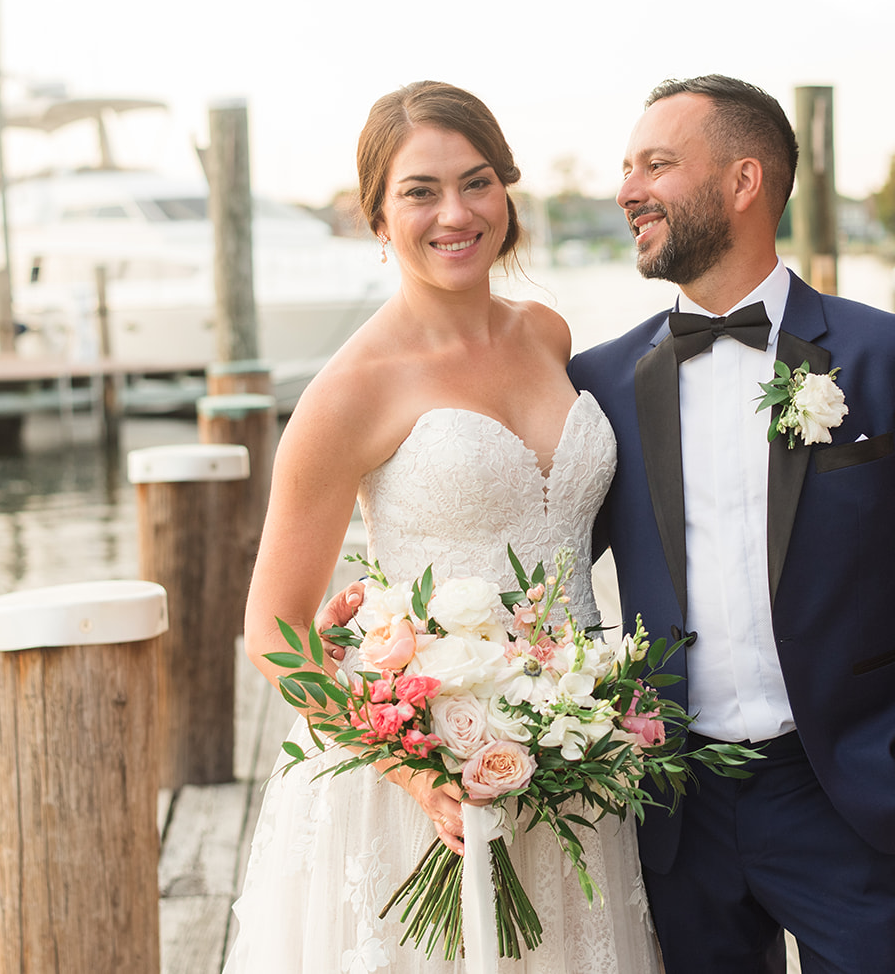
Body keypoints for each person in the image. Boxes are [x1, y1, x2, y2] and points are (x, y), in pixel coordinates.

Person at [564, 75, 895, 973]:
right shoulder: (600, 382)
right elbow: (545, 562)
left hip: (851, 795)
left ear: (744, 180)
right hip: (674, 807)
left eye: (656, 164)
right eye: (626, 168)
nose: (626, 192)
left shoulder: (894, 354)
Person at [222, 81, 660, 974]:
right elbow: (271, 627)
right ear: (378, 216)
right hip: (423, 778)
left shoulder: (547, 333)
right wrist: (409, 772)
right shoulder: (350, 392)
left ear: (507, 190)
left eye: (478, 181)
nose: (455, 213)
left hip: (572, 751)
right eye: (420, 191)